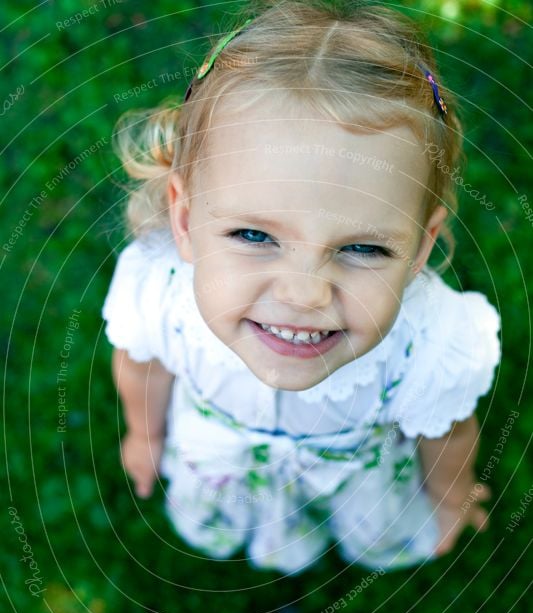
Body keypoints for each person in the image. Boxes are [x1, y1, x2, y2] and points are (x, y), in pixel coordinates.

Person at [103, 0, 501, 578]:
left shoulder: (431, 341)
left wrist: (450, 494)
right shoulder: (161, 294)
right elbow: (141, 368)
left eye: (363, 248)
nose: (305, 295)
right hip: (220, 454)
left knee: (372, 528)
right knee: (234, 521)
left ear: (419, 247)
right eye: (254, 234)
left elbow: (448, 433)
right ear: (185, 221)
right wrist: (146, 435)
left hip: (356, 473)